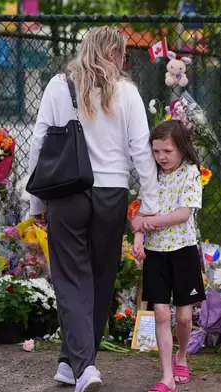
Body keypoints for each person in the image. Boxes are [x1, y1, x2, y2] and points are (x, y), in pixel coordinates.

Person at [27, 26, 160, 392]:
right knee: (100, 278)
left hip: (67, 192)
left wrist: (36, 201)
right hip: (111, 194)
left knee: (70, 278)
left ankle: (79, 364)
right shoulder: (128, 92)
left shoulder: (58, 85)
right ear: (115, 53)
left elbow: (40, 143)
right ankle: (76, 364)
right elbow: (141, 153)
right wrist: (149, 204)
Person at [130, 120, 206, 392]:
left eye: (167, 151)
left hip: (182, 251)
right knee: (161, 313)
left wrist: (149, 223)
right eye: (156, 151)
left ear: (182, 149)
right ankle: (167, 377)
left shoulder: (191, 173)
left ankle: (181, 357)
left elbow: (183, 214)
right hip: (155, 254)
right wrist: (138, 240)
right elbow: (142, 212)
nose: (161, 157)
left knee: (184, 317)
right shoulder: (152, 175)